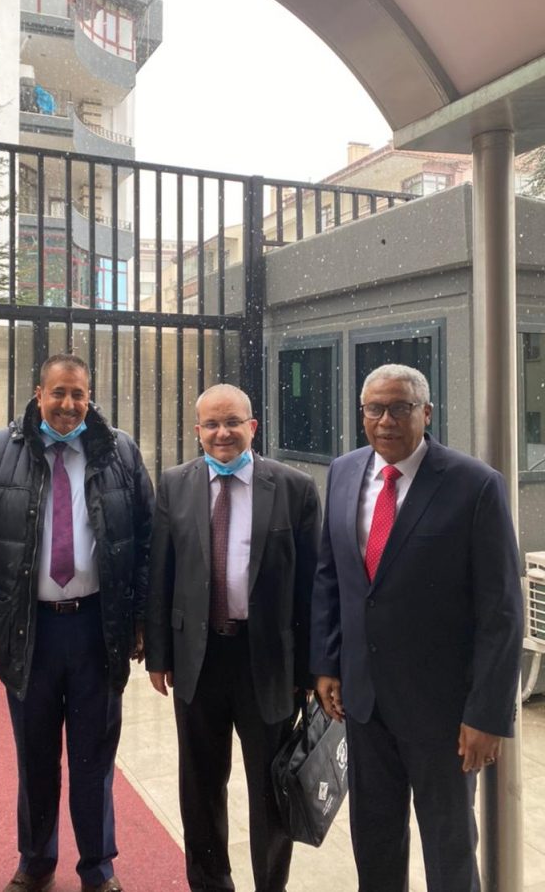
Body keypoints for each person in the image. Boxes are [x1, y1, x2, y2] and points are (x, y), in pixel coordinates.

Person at [311, 363, 523, 892]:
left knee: (450, 852)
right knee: (375, 843)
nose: (386, 420)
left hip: (444, 715)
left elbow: (501, 610)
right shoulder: (344, 472)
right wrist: (327, 662)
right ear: (362, 414)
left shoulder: (474, 485)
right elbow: (331, 577)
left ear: (426, 413)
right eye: (375, 409)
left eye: (400, 408)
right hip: (364, 705)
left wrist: (487, 714)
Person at [0, 352, 154, 892]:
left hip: (96, 630)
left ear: (90, 397)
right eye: (58, 392)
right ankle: (36, 861)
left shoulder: (119, 452)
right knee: (35, 755)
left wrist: (140, 618)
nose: (68, 404)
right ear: (38, 393)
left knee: (94, 758)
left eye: (78, 394)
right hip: (27, 630)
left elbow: (145, 541)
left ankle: (98, 868)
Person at [144, 383, 321, 892]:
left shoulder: (293, 488)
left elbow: (312, 587)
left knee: (271, 787)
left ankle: (270, 884)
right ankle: (210, 882)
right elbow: (161, 575)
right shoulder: (174, 484)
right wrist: (158, 654)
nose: (222, 433)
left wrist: (310, 670)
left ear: (252, 427)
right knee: (199, 785)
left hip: (267, 662)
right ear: (197, 430)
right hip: (197, 659)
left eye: (233, 422)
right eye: (212, 424)